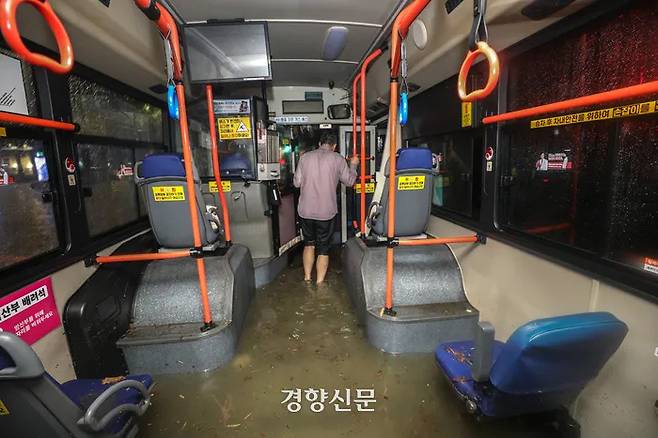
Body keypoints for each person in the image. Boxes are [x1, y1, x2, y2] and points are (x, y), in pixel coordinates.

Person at [294, 131, 359, 284]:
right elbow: (349, 182)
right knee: (323, 249)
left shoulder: (304, 158)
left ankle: (307, 278)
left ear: (319, 144)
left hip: (306, 211)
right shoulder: (338, 159)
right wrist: (354, 166)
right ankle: (320, 284)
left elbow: (297, 183)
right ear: (334, 146)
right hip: (326, 212)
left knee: (309, 244)